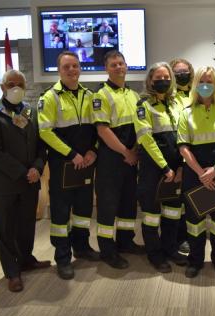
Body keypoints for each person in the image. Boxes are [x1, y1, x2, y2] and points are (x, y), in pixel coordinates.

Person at [0, 70, 51, 292]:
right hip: (3, 185)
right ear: (2, 87)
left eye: (20, 84)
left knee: (27, 226)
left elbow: (41, 144)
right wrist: (23, 172)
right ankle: (12, 272)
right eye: (11, 84)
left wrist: (37, 167)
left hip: (30, 182)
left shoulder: (30, 112)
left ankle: (26, 259)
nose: (16, 88)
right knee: (5, 230)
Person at [38, 51, 99, 280]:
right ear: (59, 70)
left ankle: (81, 248)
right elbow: (45, 132)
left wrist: (93, 150)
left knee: (84, 210)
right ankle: (62, 257)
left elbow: (96, 128)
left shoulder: (89, 95)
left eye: (75, 66)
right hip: (64, 164)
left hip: (86, 164)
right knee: (61, 215)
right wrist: (72, 154)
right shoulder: (49, 97)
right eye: (67, 67)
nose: (72, 70)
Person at [177, 66, 215, 278]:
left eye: (210, 81)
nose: (206, 85)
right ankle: (195, 261)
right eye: (202, 81)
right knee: (194, 222)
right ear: (195, 85)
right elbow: (183, 146)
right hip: (195, 174)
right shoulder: (186, 112)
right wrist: (201, 173)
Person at [92, 50, 144, 269]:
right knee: (108, 205)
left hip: (130, 159)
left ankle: (125, 241)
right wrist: (126, 152)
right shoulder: (100, 95)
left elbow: (140, 127)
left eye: (121, 63)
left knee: (127, 204)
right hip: (111, 161)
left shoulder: (133, 95)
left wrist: (134, 151)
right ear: (106, 68)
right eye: (113, 65)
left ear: (127, 66)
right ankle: (107, 249)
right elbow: (103, 130)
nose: (119, 67)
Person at [134, 62, 188, 272]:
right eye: (158, 78)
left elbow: (185, 135)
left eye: (167, 77)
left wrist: (182, 165)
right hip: (154, 169)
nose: (163, 81)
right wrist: (165, 168)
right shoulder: (143, 105)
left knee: (173, 213)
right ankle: (155, 255)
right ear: (150, 81)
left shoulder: (177, 104)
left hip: (177, 168)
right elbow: (146, 139)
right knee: (151, 214)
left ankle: (170, 249)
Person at [169, 58, 195, 254]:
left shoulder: (196, 93)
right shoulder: (168, 96)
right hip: (176, 152)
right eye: (176, 72)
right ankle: (177, 239)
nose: (181, 75)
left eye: (184, 71)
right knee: (175, 201)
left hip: (195, 154)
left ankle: (192, 236)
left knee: (191, 200)